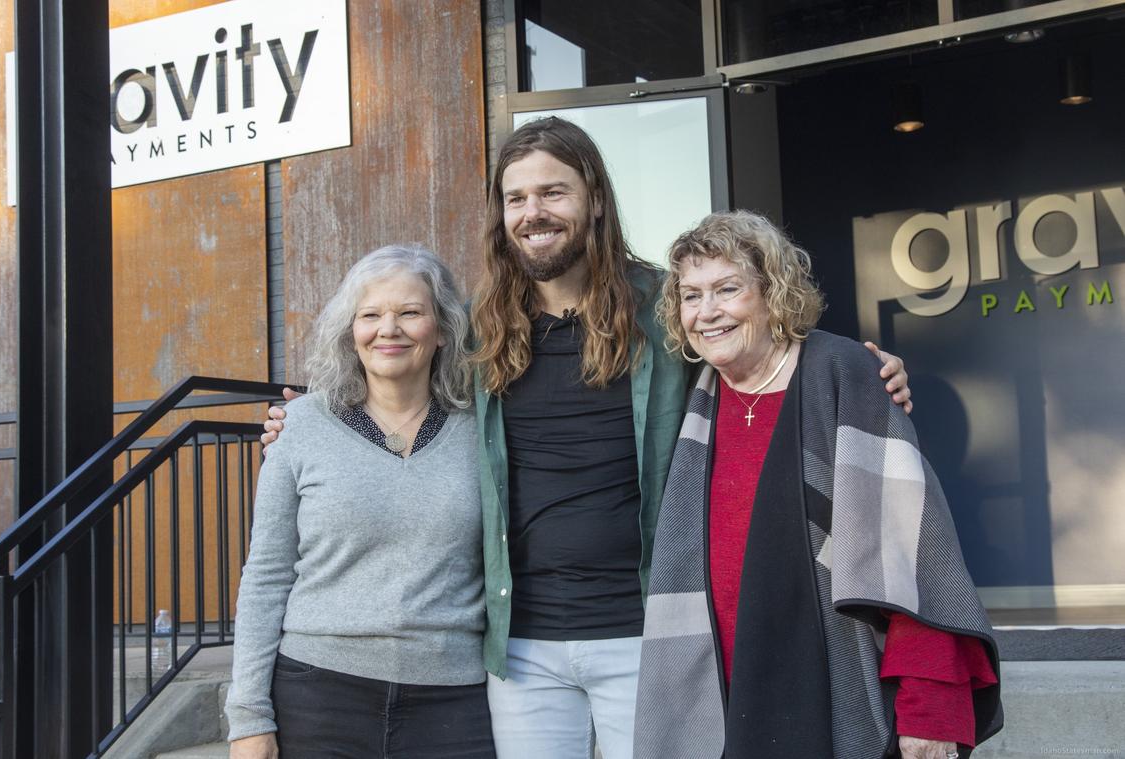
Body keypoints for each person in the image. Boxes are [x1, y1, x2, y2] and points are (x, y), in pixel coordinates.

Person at [262, 117, 913, 759]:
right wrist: (306, 419)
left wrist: (854, 371)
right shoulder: (481, 331)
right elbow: (394, 380)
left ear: (595, 199)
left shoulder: (664, 308)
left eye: (553, 192)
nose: (532, 212)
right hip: (521, 647)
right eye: (515, 198)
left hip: (648, 629)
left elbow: (755, 351)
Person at [634, 210, 1001, 759]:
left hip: (835, 687)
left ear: (773, 292)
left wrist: (930, 706)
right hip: (725, 698)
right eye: (691, 295)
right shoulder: (699, 398)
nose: (707, 312)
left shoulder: (843, 374)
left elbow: (913, 553)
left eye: (727, 289)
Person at [226, 245, 494, 759]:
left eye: (410, 313)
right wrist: (248, 717)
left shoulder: (482, 428)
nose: (387, 329)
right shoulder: (301, 427)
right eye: (370, 315)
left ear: (442, 330)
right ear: (351, 331)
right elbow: (266, 575)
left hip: (454, 703)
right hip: (317, 695)